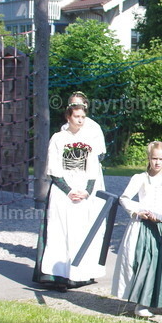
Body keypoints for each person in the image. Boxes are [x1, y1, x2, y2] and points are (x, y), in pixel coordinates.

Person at [34, 103, 106, 289]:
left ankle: (79, 273)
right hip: (63, 193)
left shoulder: (88, 139)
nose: (80, 120)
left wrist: (87, 190)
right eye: (76, 117)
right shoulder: (58, 138)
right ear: (68, 117)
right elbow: (53, 167)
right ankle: (58, 275)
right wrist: (68, 190)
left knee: (79, 231)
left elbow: (92, 168)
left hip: (82, 193)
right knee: (61, 232)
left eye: (83, 117)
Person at [111, 141, 162, 317]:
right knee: (143, 261)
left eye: (161, 159)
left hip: (161, 227)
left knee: (160, 262)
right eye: (154, 158)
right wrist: (137, 211)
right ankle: (140, 303)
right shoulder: (139, 178)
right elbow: (124, 198)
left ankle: (156, 299)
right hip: (141, 226)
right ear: (149, 158)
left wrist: (161, 215)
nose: (157, 162)